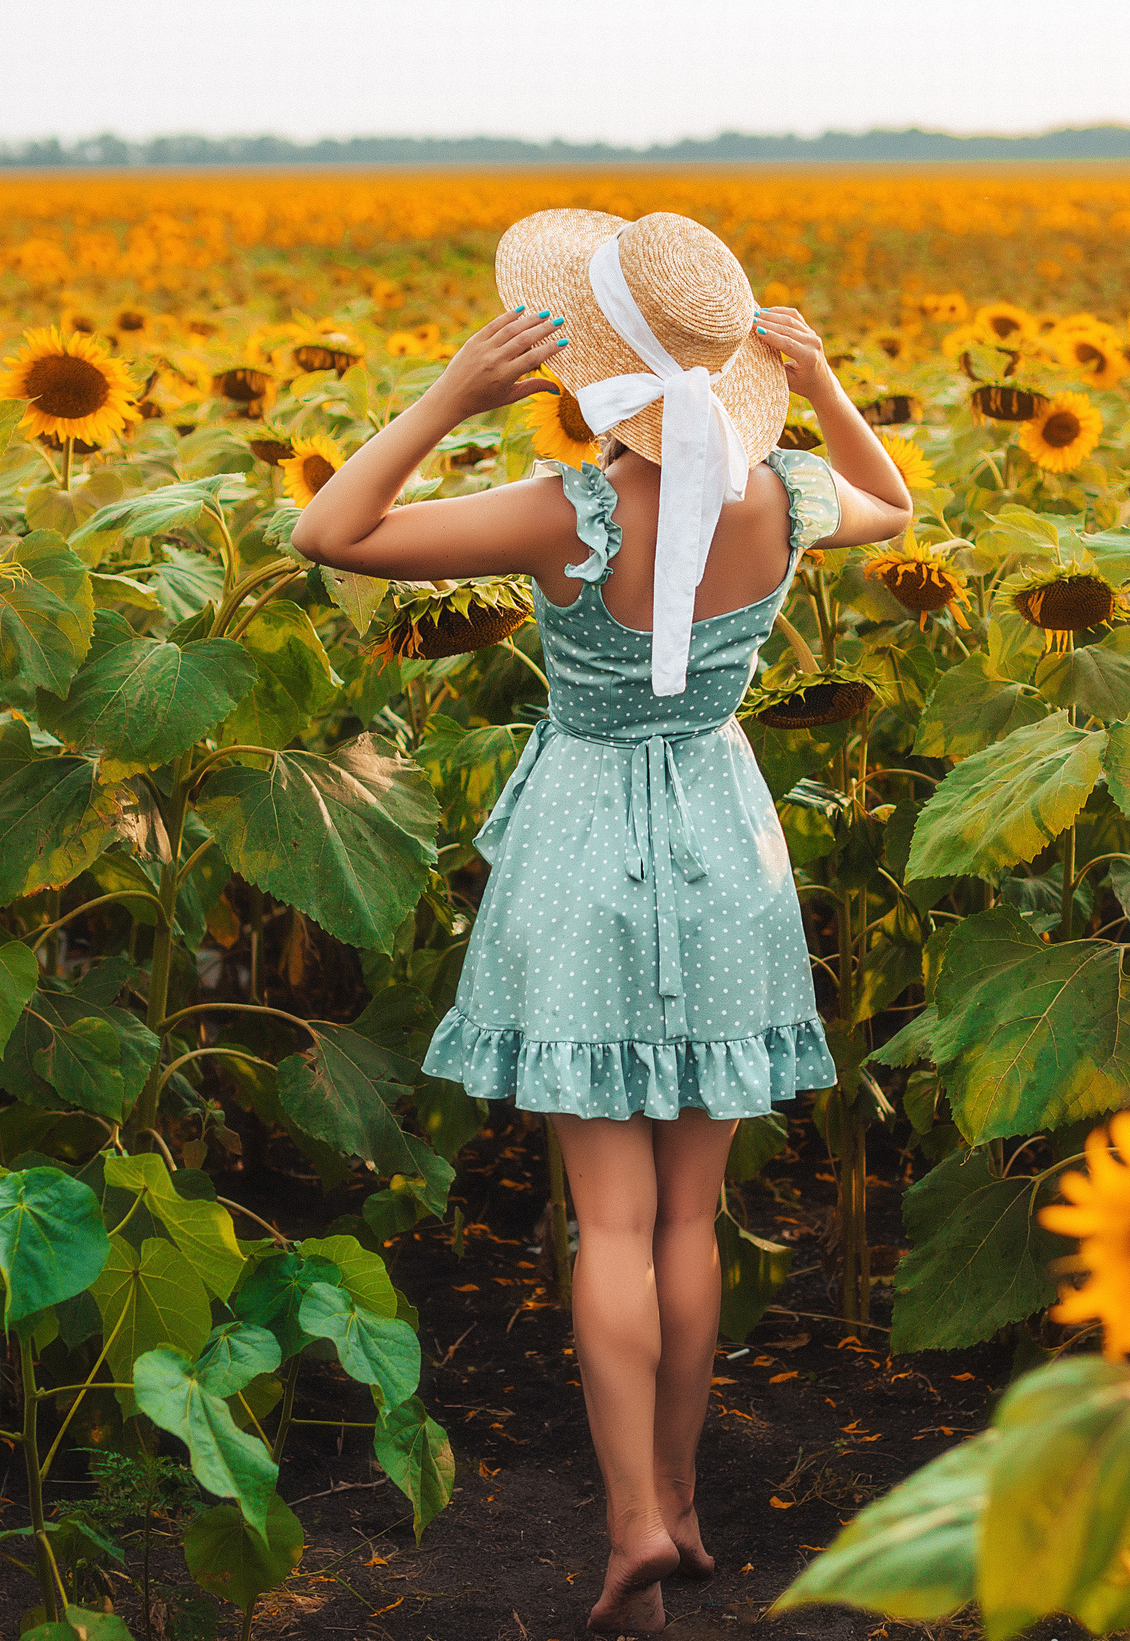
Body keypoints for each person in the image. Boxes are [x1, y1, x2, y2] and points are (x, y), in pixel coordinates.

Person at [290, 209, 914, 1634]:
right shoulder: (789, 499)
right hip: (724, 844)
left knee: (609, 1223)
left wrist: (451, 394)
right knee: (696, 1218)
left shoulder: (564, 512)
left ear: (594, 366)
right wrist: (819, 389)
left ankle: (631, 1515)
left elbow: (334, 531)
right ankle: (685, 1505)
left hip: (585, 850)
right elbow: (897, 505)